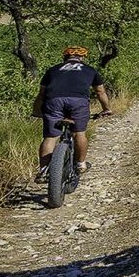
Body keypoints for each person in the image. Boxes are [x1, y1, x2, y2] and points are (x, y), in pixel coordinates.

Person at [32, 46, 113, 179]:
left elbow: (41, 94)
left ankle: (43, 170)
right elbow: (100, 92)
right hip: (78, 102)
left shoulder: (53, 69)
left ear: (65, 58)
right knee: (79, 133)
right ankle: (81, 164)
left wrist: (37, 111)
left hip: (54, 101)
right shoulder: (90, 70)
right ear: (82, 58)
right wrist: (106, 109)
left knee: (50, 137)